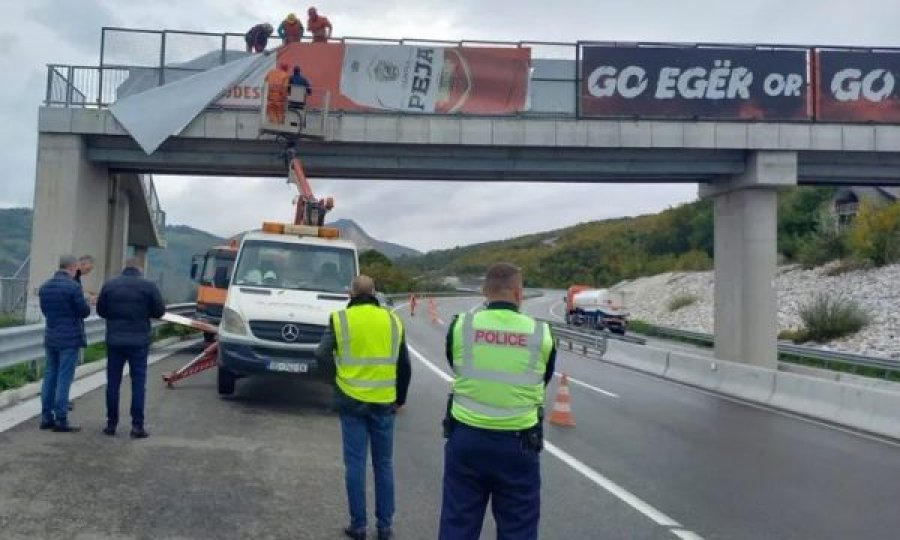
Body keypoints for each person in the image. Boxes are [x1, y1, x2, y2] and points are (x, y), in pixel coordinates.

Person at [439, 263, 556, 540]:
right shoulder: (541, 333)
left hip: (467, 439)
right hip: (518, 444)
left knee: (458, 524)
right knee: (518, 529)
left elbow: (456, 365)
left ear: (485, 292)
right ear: (519, 293)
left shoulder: (462, 326)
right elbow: (543, 379)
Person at [316, 275, 411, 540]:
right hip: (384, 402)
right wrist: (400, 398)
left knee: (355, 464)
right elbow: (404, 364)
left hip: (351, 399)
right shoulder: (393, 320)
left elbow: (321, 354)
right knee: (384, 464)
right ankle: (385, 527)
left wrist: (335, 381)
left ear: (351, 294)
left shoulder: (340, 319)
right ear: (375, 294)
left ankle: (358, 526)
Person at [96, 258, 166, 439]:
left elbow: (101, 311)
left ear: (124, 267)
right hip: (139, 341)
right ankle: (137, 426)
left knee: (113, 383)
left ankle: (111, 424)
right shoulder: (148, 286)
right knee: (138, 384)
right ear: (139, 269)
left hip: (115, 341)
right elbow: (159, 311)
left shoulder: (110, 285)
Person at [38, 255, 91, 432]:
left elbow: (45, 311)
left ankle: (46, 417)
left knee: (50, 376)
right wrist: (86, 301)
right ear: (73, 267)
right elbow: (83, 312)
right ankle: (61, 418)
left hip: (51, 336)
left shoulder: (45, 287)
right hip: (69, 338)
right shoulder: (74, 287)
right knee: (64, 378)